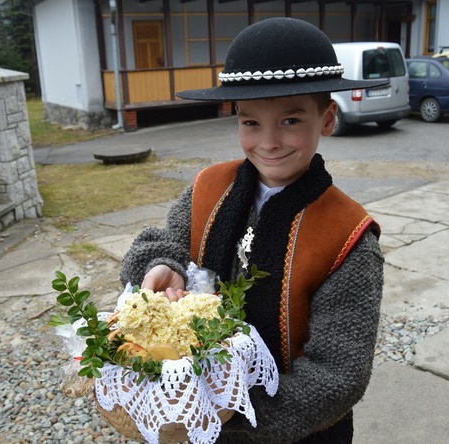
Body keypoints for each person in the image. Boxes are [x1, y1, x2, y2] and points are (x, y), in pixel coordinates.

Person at [119, 17, 385, 444]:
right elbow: (161, 242)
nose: (269, 141)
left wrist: (228, 420)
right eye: (251, 123)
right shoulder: (208, 187)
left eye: (292, 121)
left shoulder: (347, 237)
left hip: (293, 433)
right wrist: (164, 266)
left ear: (328, 118)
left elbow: (339, 375)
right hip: (194, 412)